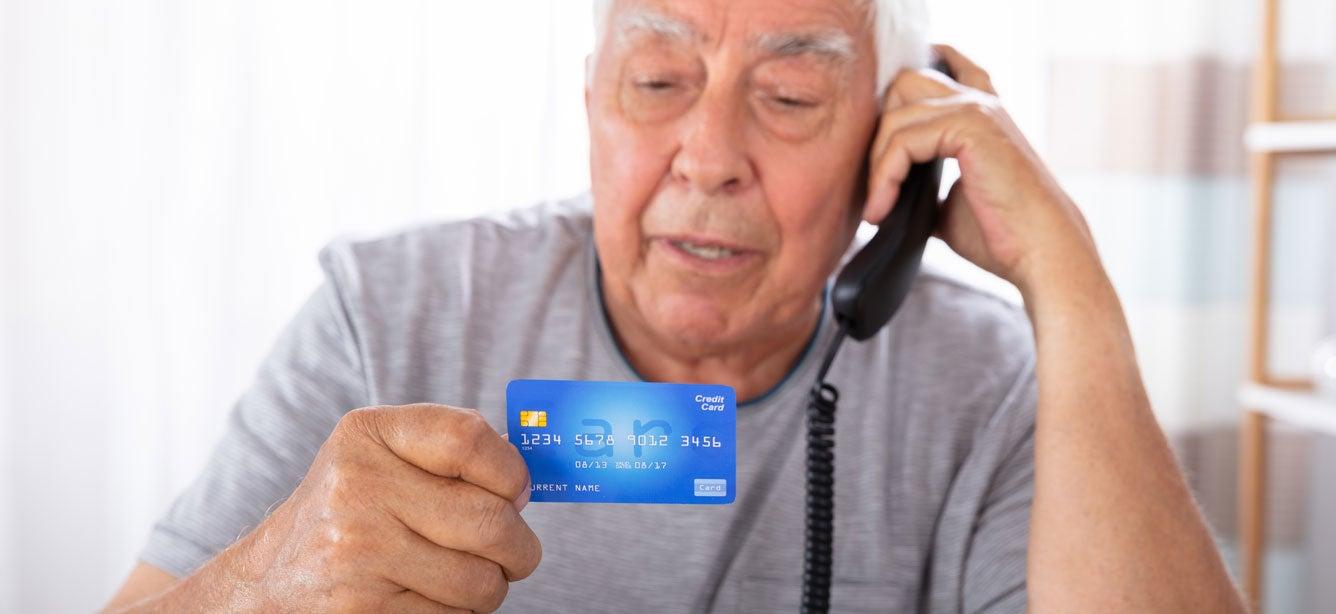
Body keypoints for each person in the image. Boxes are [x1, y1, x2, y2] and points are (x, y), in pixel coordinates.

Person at [104, 0, 1244, 611]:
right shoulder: (386, 310)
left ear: (897, 137)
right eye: (656, 82)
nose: (708, 155)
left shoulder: (990, 383)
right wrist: (263, 586)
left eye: (791, 95)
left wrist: (1070, 284)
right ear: (591, 99)